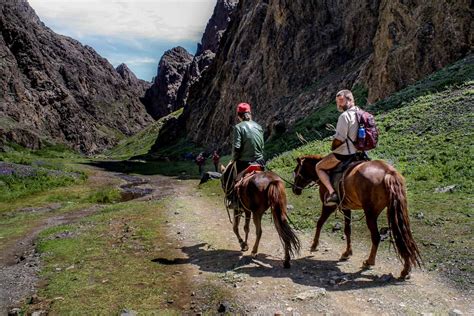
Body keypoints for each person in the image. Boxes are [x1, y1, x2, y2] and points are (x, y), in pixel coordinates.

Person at [316, 89, 359, 206]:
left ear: (350, 99)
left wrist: (333, 147)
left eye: (341, 100)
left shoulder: (344, 116)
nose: (339, 104)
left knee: (319, 167)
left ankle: (332, 193)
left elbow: (340, 139)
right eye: (337, 102)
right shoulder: (362, 113)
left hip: (345, 154)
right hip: (360, 152)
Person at [226, 102, 265, 209]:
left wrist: (234, 159)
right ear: (250, 113)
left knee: (232, 179)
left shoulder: (238, 127)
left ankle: (235, 201)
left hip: (244, 162)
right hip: (260, 161)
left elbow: (237, 147)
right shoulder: (258, 126)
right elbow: (262, 146)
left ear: (239, 115)